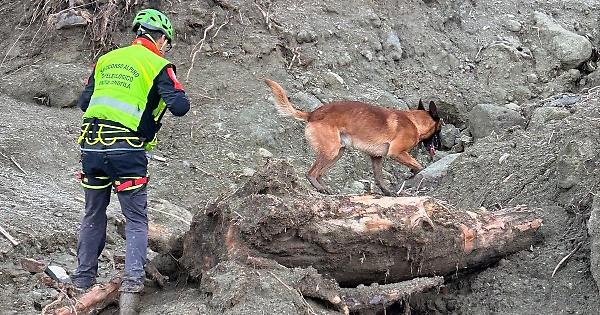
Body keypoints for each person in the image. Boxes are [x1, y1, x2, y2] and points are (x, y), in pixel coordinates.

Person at [71, 8, 190, 314]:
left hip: (92, 146)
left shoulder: (106, 59)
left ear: (137, 33)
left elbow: (85, 102)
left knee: (93, 213)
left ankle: (82, 282)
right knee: (136, 220)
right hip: (126, 150)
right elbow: (180, 106)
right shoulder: (158, 63)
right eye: (166, 42)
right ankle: (131, 290)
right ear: (161, 37)